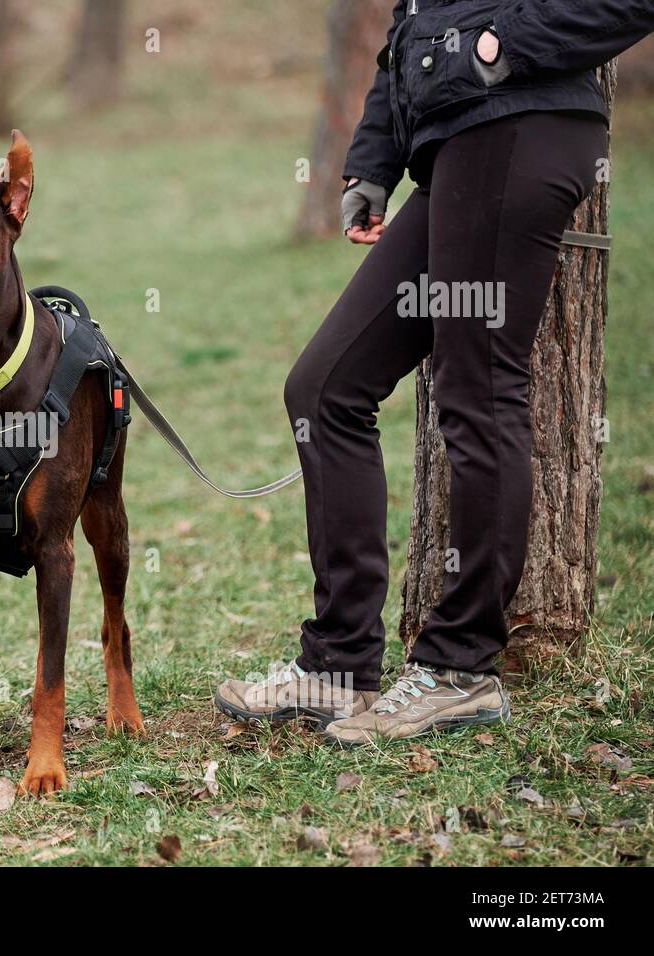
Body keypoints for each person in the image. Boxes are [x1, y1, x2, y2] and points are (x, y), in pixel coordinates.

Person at [215, 0, 654, 746]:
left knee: (477, 390)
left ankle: (458, 669)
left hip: (522, 127)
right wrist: (373, 161)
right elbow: (409, 28)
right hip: (455, 147)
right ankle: (339, 663)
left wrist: (502, 44)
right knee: (324, 389)